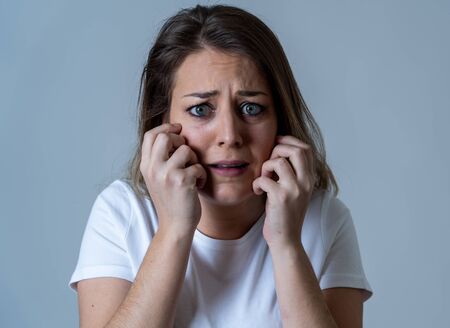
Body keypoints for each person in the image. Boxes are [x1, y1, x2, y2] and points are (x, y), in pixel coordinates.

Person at [69, 4, 373, 327]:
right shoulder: (120, 215)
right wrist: (174, 229)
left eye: (251, 108)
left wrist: (286, 245)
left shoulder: (325, 221)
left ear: (279, 121)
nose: (230, 136)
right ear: (163, 122)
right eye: (201, 109)